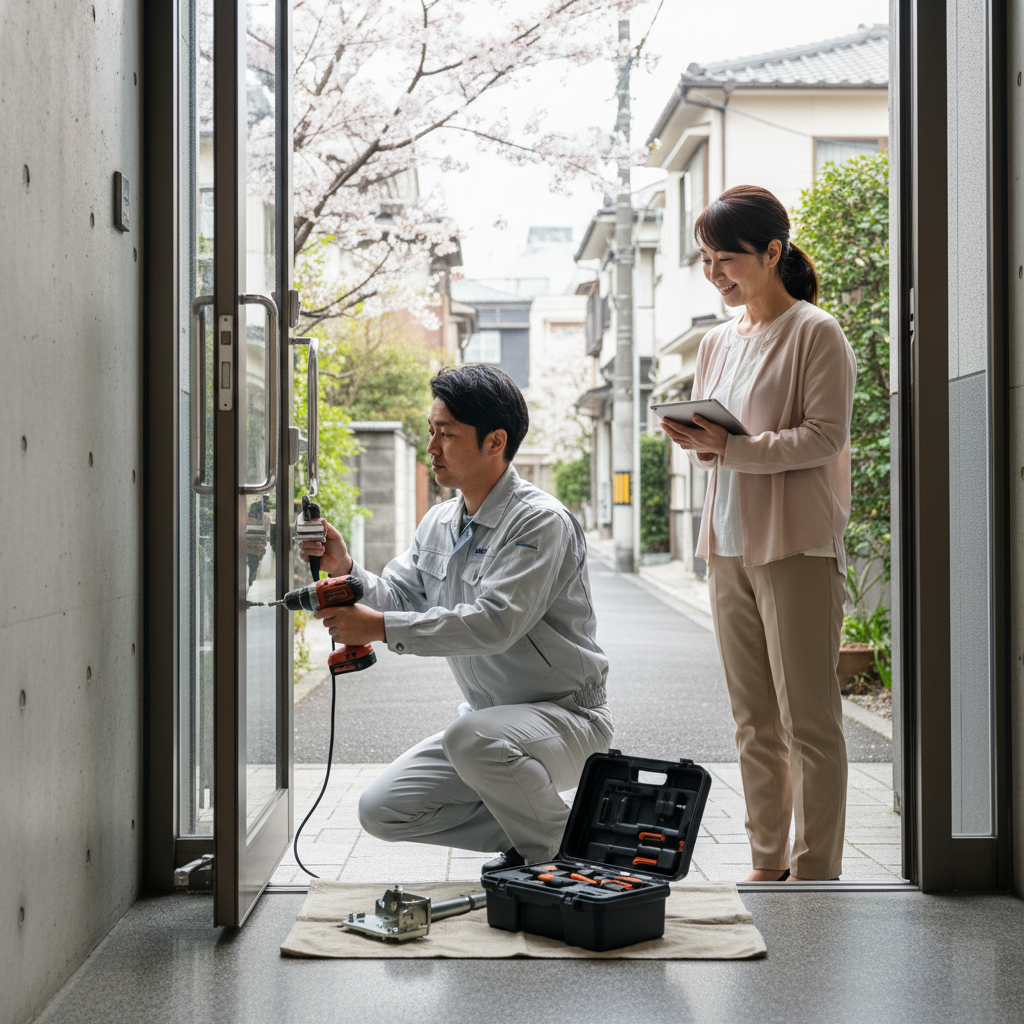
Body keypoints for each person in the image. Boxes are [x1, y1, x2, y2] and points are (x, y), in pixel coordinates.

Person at [298, 364, 613, 867]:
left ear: (495, 442)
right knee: (382, 811)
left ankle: (558, 858)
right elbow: (401, 594)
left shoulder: (539, 521)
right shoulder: (441, 520)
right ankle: (548, 832)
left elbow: (494, 623)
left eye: (447, 434)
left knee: (470, 737)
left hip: (568, 718)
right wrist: (348, 570)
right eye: (431, 432)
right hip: (489, 727)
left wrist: (376, 628)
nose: (432, 448)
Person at [660, 185, 856, 882]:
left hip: (796, 546)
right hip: (728, 545)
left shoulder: (815, 332)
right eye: (706, 260)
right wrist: (699, 438)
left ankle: (816, 871)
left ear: (772, 252)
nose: (715, 274)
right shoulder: (716, 342)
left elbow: (825, 436)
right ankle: (766, 863)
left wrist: (732, 448)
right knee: (753, 722)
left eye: (727, 259)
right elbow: (727, 439)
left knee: (809, 720)